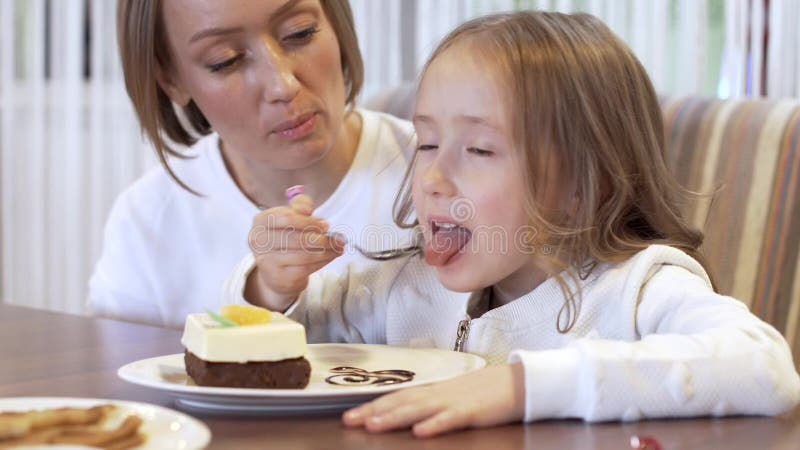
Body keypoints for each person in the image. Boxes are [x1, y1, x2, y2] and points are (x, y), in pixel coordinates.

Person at [223, 11, 800, 437]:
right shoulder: (401, 287)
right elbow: (278, 339)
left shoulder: (638, 290)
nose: (431, 178)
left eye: (478, 149)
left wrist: (519, 386)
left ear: (584, 183)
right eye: (426, 142)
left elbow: (762, 366)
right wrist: (272, 287)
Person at [87, 0, 415, 328]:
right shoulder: (148, 221)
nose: (283, 85)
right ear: (170, 79)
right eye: (225, 60)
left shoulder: (440, 174)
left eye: (300, 33)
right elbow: (110, 373)